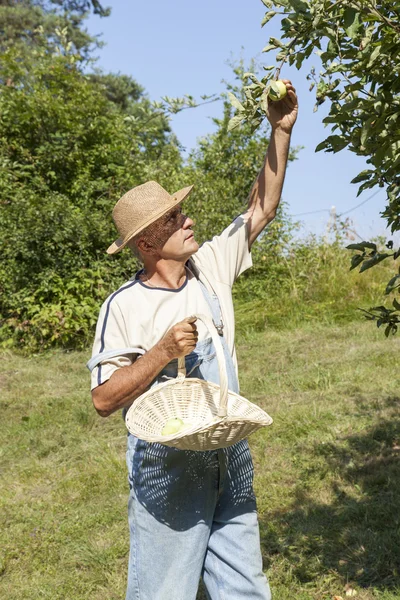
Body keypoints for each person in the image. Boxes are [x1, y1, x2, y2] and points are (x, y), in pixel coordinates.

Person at [88, 80, 298, 600]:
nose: (189, 221)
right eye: (174, 220)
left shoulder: (209, 269)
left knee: (245, 590)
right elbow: (102, 399)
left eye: (181, 214)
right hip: (167, 470)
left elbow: (261, 208)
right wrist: (160, 353)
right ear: (146, 242)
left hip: (229, 454)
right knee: (165, 592)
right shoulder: (124, 306)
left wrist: (279, 130)